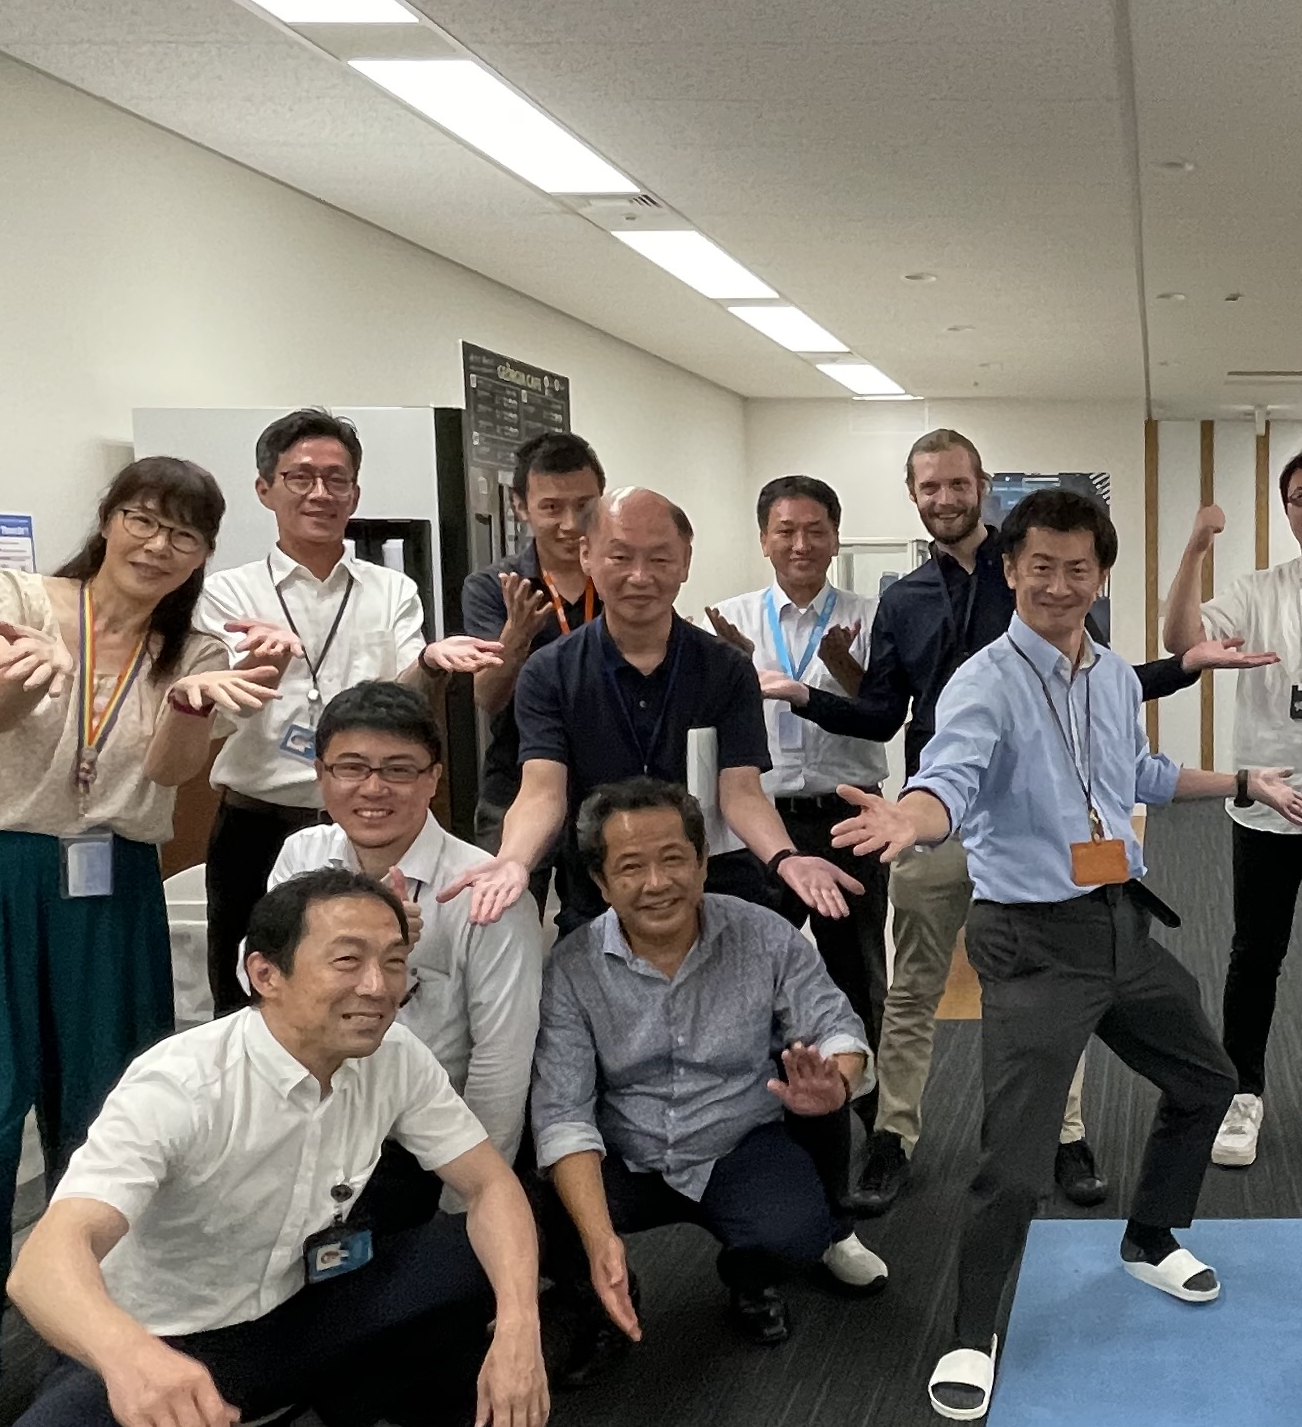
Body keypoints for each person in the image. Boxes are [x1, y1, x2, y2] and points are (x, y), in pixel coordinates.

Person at [0, 868, 584, 1427]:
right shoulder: (183, 1084)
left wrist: (520, 1324)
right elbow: (43, 1263)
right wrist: (132, 1360)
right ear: (265, 973)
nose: (379, 985)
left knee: (496, 1254)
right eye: (347, 959)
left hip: (294, 1307)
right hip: (161, 1341)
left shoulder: (393, 1059)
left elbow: (490, 1186)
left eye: (394, 961)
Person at [831, 486, 1302, 1422]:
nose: (1057, 584)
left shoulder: (1114, 677)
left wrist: (1244, 778)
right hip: (1034, 942)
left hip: (1120, 923)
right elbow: (948, 781)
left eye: (1076, 569)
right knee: (1015, 1161)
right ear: (1010, 571)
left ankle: (1151, 1236)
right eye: (1038, 567)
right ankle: (972, 1333)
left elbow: (1138, 774)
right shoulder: (984, 683)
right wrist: (911, 818)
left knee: (1208, 1080)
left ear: (1100, 578)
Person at [0, 458, 272, 1427]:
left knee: (106, 1129)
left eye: (185, 535)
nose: (158, 544)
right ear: (108, 521)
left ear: (202, 556)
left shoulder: (196, 649)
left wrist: (193, 705)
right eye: (143, 518)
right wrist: (25, 673)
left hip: (106, 893)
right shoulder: (13, 600)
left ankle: (91, 1359)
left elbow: (178, 768)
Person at [794, 429, 1224, 1217]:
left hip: (1036, 824)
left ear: (980, 486)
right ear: (914, 494)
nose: (945, 498)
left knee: (1067, 985)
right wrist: (809, 701)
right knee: (913, 987)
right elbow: (886, 710)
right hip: (932, 811)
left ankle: (1064, 1134)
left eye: (958, 484)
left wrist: (1184, 669)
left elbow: (1100, 689)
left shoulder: (1035, 567)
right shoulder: (904, 599)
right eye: (930, 487)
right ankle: (894, 1136)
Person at [535, 779, 882, 1353]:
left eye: (674, 860)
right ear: (600, 883)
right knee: (534, 1218)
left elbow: (835, 1024)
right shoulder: (572, 968)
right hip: (626, 1151)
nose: (656, 883)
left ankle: (751, 1281)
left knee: (795, 1236)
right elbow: (563, 1113)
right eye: (630, 867)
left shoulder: (762, 933)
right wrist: (600, 1239)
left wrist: (838, 1081)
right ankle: (599, 1293)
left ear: (702, 864)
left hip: (738, 1143)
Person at [197, 408, 501, 1019]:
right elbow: (222, 706)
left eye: (337, 479)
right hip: (260, 825)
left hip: (364, 823)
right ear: (265, 489)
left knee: (369, 988)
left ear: (355, 493)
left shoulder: (392, 590)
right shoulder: (227, 593)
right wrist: (264, 664)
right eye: (300, 477)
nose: (320, 493)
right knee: (250, 996)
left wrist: (432, 663)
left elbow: (404, 706)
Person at [485, 489, 863, 938]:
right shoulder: (550, 672)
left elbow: (741, 791)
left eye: (660, 560)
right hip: (600, 899)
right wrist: (512, 863)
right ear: (587, 555)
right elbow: (542, 792)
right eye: (621, 557)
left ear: (685, 561)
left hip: (718, 894)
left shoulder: (726, 668)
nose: (640, 577)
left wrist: (786, 858)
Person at [1160, 448, 1302, 1166]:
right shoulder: (1257, 591)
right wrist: (1195, 549)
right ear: (1286, 511)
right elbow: (1180, 643)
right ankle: (1242, 1091)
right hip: (1264, 799)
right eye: (1300, 499)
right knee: (1255, 951)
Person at [267, 681, 541, 1189]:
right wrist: (356, 932)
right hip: (306, 1123)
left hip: (421, 1145)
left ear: (434, 777)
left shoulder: (484, 892)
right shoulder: (301, 857)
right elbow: (259, 978)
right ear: (320, 773)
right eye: (350, 768)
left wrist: (475, 1199)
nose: (373, 789)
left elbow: (501, 1064)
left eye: (399, 770)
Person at [708, 474, 889, 1072]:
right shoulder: (728, 621)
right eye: (786, 531)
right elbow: (704, 720)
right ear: (764, 539)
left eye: (816, 531)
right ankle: (759, 1101)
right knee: (750, 972)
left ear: (836, 539)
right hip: (760, 824)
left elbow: (885, 715)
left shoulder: (873, 619)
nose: (801, 544)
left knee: (858, 972)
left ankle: (869, 1118)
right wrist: (730, 673)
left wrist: (846, 670)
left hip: (850, 821)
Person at [462, 429, 606, 844]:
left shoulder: (622, 578)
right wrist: (516, 636)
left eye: (584, 506)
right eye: (551, 508)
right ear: (520, 506)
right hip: (517, 784)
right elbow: (486, 698)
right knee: (501, 903)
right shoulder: (493, 587)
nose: (570, 524)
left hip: (610, 787)